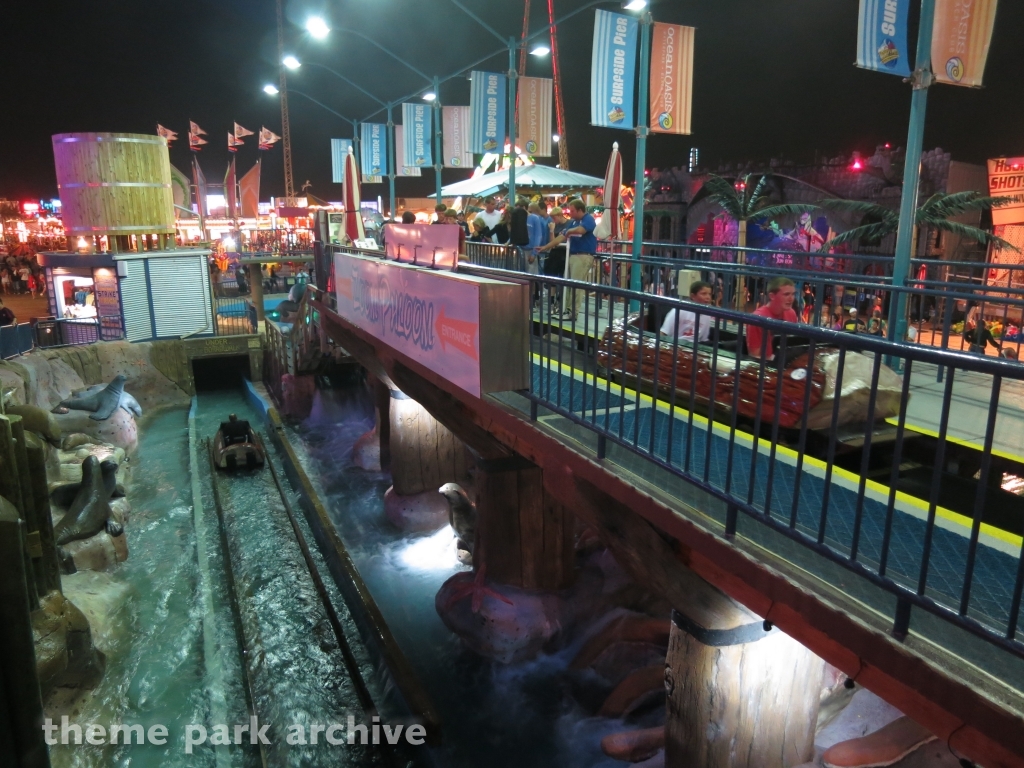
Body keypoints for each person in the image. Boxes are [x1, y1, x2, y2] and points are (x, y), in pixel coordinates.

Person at [745, 277, 799, 362]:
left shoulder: (791, 313)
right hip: (766, 367)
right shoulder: (757, 319)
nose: (791, 298)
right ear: (772, 296)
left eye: (793, 294)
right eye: (786, 294)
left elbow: (794, 344)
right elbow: (754, 356)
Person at [562, 198, 597, 320]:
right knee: (570, 284)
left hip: (583, 256)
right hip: (573, 255)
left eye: (572, 211)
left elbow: (581, 230)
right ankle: (567, 310)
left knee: (576, 285)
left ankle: (572, 312)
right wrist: (546, 247)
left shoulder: (588, 219)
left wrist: (569, 231)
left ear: (580, 210)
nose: (570, 213)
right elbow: (562, 236)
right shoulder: (574, 222)